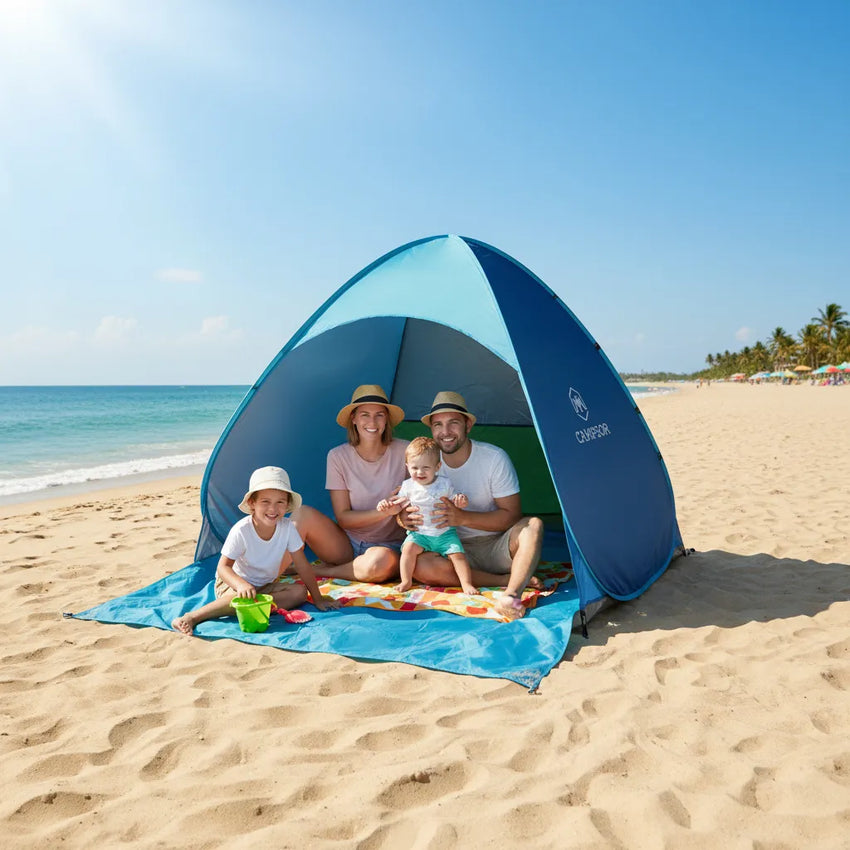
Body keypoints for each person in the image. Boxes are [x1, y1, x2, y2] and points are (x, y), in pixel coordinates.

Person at [402, 391, 544, 620]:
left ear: (468, 425)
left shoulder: (494, 458)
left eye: (453, 423)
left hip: (495, 545)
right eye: (438, 424)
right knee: (421, 566)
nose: (445, 432)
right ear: (431, 429)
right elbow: (403, 503)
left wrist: (463, 517)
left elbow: (512, 515)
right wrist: (402, 518)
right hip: (449, 550)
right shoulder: (422, 462)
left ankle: (511, 596)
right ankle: (503, 581)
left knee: (534, 525)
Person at [171, 467, 338, 635]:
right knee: (237, 599)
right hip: (234, 584)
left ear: (287, 504)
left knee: (300, 593)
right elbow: (223, 568)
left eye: (280, 502)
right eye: (265, 502)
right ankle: (193, 617)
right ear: (252, 503)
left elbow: (303, 565)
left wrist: (318, 599)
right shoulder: (242, 530)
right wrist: (240, 584)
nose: (273, 509)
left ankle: (255, 606)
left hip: (264, 585)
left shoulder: (288, 528)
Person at [298, 384, 409, 583]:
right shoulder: (337, 456)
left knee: (377, 565)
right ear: (354, 419)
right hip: (346, 545)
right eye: (365, 414)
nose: (372, 421)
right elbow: (343, 519)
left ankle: (319, 572)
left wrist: (404, 509)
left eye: (379, 415)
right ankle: (263, 576)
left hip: (388, 548)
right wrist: (384, 512)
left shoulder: (406, 451)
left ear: (387, 420)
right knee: (301, 513)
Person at [377, 436, 476, 595]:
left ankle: (467, 584)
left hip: (445, 533)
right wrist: (386, 504)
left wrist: (461, 502)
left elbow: (455, 501)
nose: (420, 472)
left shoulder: (444, 484)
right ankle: (406, 581)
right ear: (407, 467)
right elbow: (397, 503)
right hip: (420, 534)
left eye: (426, 467)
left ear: (437, 466)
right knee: (408, 550)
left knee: (458, 556)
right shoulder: (408, 486)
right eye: (415, 468)